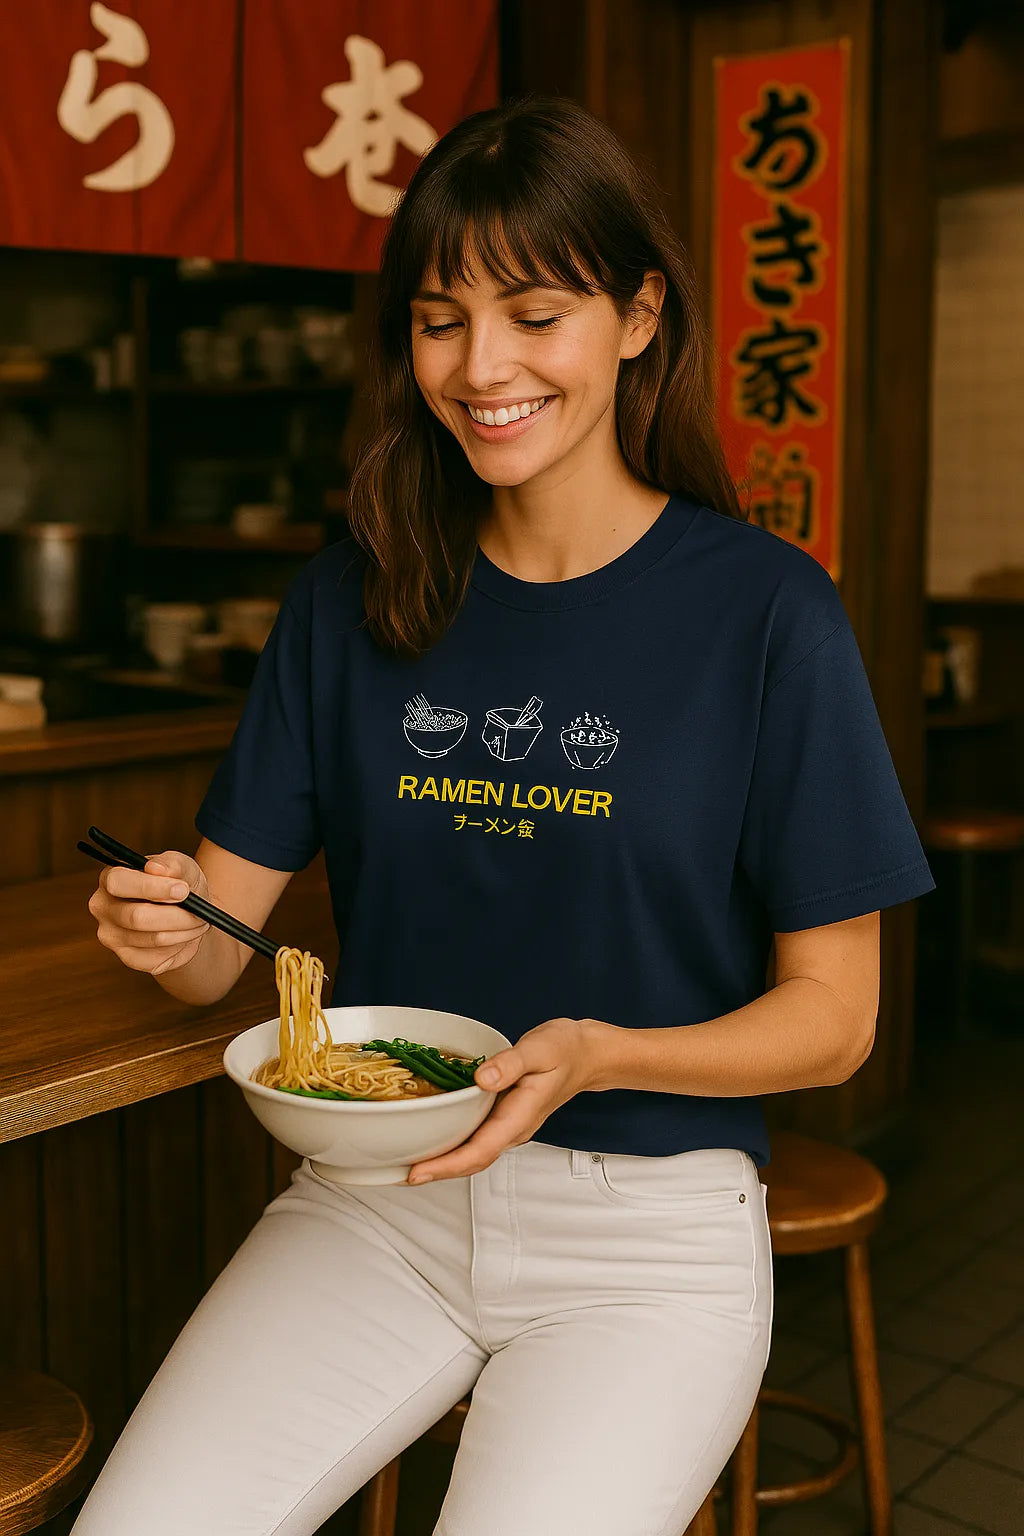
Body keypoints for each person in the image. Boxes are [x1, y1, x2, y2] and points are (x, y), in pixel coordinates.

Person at [76, 96, 934, 1536]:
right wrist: (160, 923)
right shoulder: (350, 600)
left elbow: (835, 1019)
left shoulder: (766, 613)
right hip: (374, 1200)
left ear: (638, 315)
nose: (482, 369)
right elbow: (227, 950)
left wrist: (604, 1053)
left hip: (646, 1230)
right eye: (439, 319)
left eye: (535, 312)